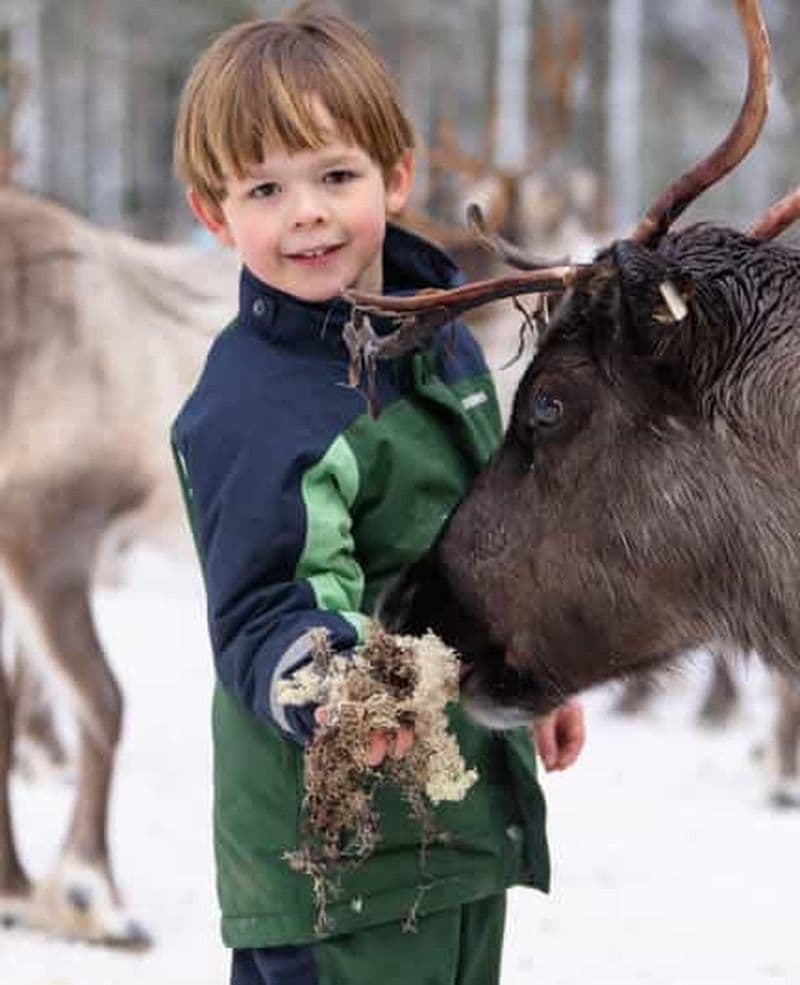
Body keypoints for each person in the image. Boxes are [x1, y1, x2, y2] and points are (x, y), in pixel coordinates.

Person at [171, 6, 585, 983]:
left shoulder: (441, 342)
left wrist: (527, 669)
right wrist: (342, 683)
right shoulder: (252, 411)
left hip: (456, 831)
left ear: (395, 178)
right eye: (265, 188)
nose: (306, 211)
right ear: (213, 214)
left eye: (335, 175)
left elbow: (487, 539)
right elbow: (268, 608)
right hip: (339, 872)